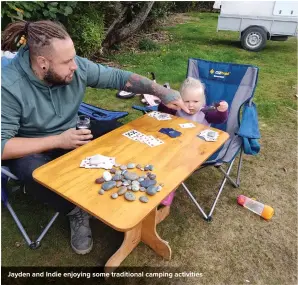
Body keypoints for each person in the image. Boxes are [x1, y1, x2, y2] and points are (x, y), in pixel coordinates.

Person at [1, 20, 189, 255]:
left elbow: (119, 78)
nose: (75, 67)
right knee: (34, 175)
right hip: (31, 146)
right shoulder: (8, 86)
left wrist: (161, 91)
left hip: (71, 132)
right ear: (42, 63)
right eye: (67, 62)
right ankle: (76, 211)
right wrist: (58, 141)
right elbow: (2, 146)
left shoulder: (75, 66)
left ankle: (122, 183)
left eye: (74, 58)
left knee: (117, 132)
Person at [158, 76, 229, 207]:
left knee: (175, 163)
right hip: (176, 142)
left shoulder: (206, 112)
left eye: (196, 101)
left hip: (198, 147)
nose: (191, 105)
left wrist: (222, 111)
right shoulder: (177, 108)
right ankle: (158, 180)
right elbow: (163, 111)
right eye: (187, 101)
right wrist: (164, 101)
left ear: (202, 101)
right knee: (160, 153)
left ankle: (169, 190)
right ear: (180, 99)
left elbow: (219, 119)